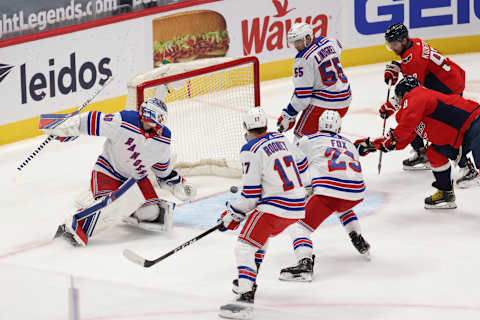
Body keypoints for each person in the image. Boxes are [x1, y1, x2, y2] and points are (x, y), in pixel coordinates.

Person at [39, 98, 196, 246]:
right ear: (148, 115)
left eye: (163, 118)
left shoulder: (163, 140)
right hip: (107, 173)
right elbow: (96, 120)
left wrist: (179, 185)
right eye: (159, 118)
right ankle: (73, 225)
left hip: (136, 181)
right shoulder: (124, 121)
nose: (161, 123)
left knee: (152, 213)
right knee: (111, 208)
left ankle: (118, 206)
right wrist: (71, 125)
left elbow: (164, 171)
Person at [218, 108, 307, 320]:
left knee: (244, 246)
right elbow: (302, 164)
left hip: (276, 206)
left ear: (246, 128)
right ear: (265, 126)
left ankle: (245, 297)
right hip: (298, 204)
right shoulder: (282, 138)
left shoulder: (250, 149)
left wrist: (231, 216)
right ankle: (250, 278)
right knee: (259, 236)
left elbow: (250, 196)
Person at [358, 77, 480, 209]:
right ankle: (446, 194)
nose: (398, 101)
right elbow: (402, 140)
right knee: (434, 153)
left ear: (403, 92)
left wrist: (392, 138)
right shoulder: (418, 110)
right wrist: (372, 145)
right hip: (462, 134)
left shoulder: (417, 95)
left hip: (475, 122)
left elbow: (403, 129)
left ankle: (467, 170)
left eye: (398, 96)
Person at [380, 23, 478, 187]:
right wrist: (399, 66)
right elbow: (416, 71)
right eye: (390, 44)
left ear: (404, 40)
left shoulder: (413, 61)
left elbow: (412, 94)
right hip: (452, 80)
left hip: (449, 89)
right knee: (419, 120)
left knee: (436, 125)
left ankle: (465, 166)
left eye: (395, 44)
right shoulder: (415, 43)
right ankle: (423, 152)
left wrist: (389, 107)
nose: (392, 47)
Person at [279, 111, 370, 282]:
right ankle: (356, 235)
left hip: (330, 191)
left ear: (318, 126)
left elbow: (293, 163)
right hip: (357, 192)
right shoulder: (349, 143)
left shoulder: (308, 139)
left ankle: (304, 264)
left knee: (298, 226)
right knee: (341, 205)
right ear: (339, 128)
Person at [277, 22, 351, 139]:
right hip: (345, 101)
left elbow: (303, 98)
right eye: (294, 42)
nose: (296, 46)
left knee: (301, 139)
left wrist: (289, 114)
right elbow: (339, 45)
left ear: (308, 37)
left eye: (298, 41)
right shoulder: (328, 41)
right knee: (324, 138)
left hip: (324, 104)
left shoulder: (303, 60)